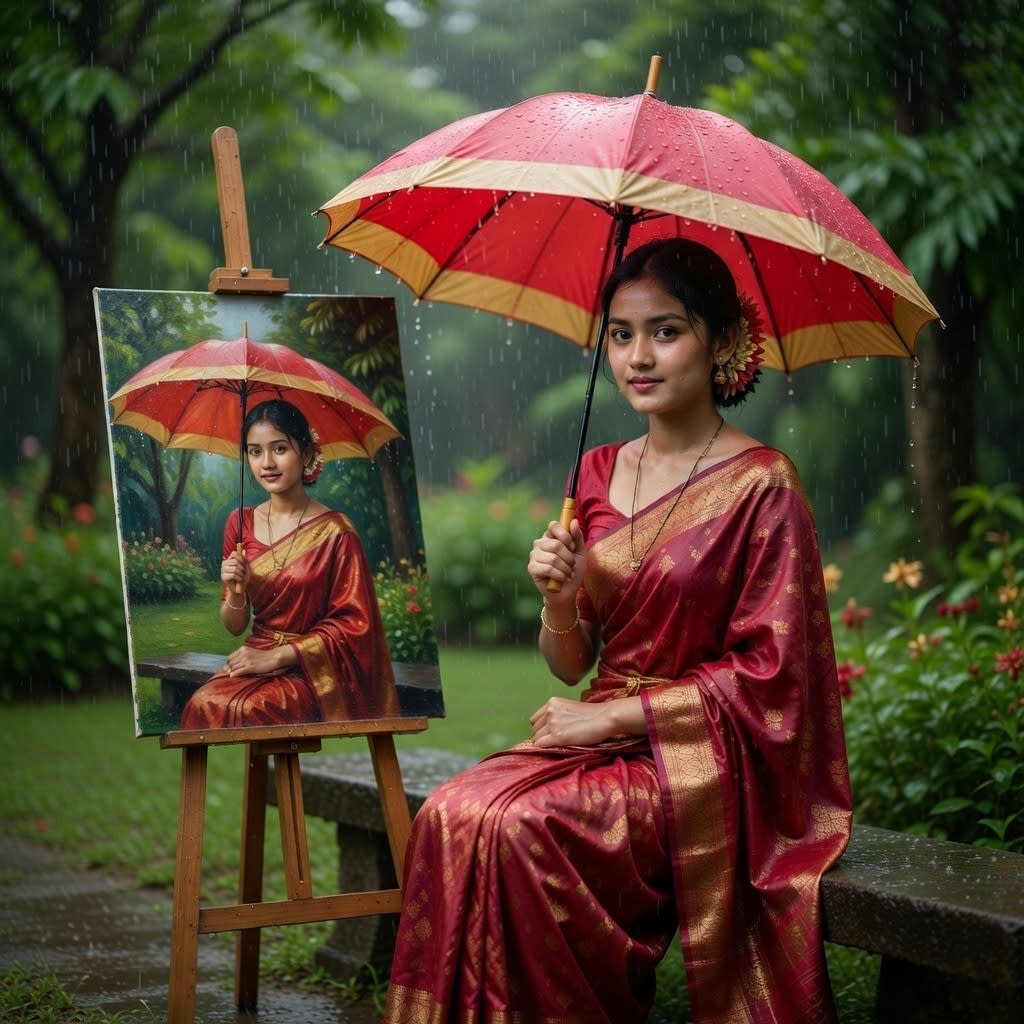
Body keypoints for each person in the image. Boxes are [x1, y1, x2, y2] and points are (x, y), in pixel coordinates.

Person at [382, 238, 852, 1024]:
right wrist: (558, 599)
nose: (639, 356)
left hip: (699, 759)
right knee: (451, 815)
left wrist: (610, 717)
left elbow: (776, 675)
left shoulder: (763, 486)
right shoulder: (596, 472)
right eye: (623, 334)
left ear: (724, 339)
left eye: (666, 331)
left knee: (525, 829)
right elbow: (570, 662)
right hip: (594, 735)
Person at [180, 399, 399, 729]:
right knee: (203, 703)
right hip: (253, 656)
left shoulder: (336, 532)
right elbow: (235, 625)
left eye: (279, 448)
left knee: (251, 710)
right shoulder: (239, 523)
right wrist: (236, 589)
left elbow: (355, 625)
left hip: (310, 668)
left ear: (308, 454)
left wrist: (278, 657)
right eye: (254, 451)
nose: (266, 463)